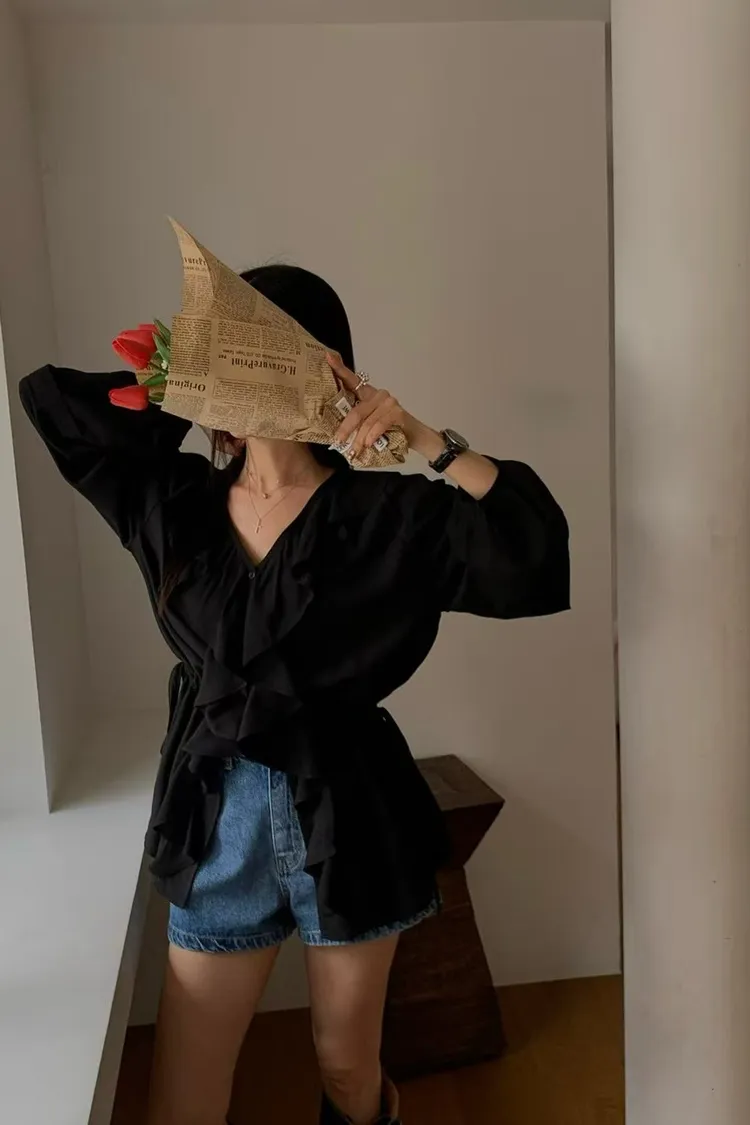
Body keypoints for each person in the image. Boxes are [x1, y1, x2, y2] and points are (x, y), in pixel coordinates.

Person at [19, 264, 570, 1125]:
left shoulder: (388, 515)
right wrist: (182, 380)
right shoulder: (174, 503)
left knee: (346, 1066)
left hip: (348, 810)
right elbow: (58, 407)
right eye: (228, 350)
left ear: (322, 365)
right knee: (185, 1086)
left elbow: (530, 549)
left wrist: (421, 435)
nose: (240, 371)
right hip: (217, 813)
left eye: (258, 351)